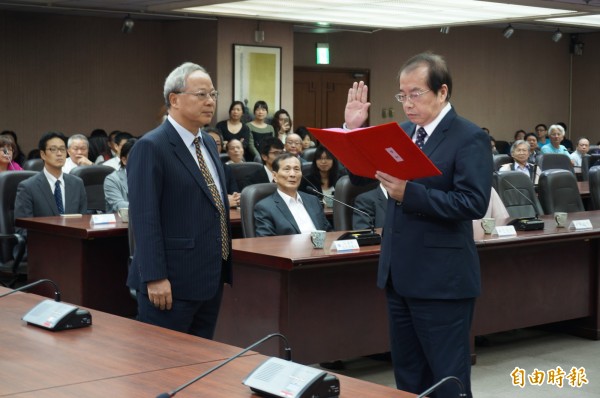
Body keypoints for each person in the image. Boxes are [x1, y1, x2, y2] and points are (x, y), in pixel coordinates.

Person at [344, 52, 492, 397]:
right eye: (402, 95)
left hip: (442, 281)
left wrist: (411, 193)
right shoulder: (403, 133)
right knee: (408, 377)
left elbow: (472, 202)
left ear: (442, 92)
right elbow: (361, 177)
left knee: (447, 379)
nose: (407, 103)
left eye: (416, 93)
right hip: (399, 275)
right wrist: (354, 131)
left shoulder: (468, 137)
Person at [126, 62, 232, 339]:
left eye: (213, 94)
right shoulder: (151, 147)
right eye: (201, 94)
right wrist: (155, 276)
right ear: (174, 99)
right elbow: (144, 218)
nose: (210, 102)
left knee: (199, 365)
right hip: (170, 281)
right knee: (161, 366)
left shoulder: (207, 142)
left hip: (209, 276)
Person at [14, 132, 87, 238]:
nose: (59, 154)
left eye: (62, 149)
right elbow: (23, 229)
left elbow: (83, 221)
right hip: (42, 246)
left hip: (74, 245)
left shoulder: (77, 184)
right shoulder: (28, 187)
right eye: (53, 149)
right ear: (43, 154)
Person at [254, 153, 331, 236]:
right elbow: (266, 241)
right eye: (287, 169)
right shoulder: (265, 207)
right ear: (275, 176)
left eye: (297, 169)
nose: (292, 174)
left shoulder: (313, 200)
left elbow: (328, 232)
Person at [104, 138, 137, 213]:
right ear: (124, 160)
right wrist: (147, 207)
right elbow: (119, 205)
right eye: (135, 157)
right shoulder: (112, 179)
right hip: (121, 221)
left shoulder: (151, 177)